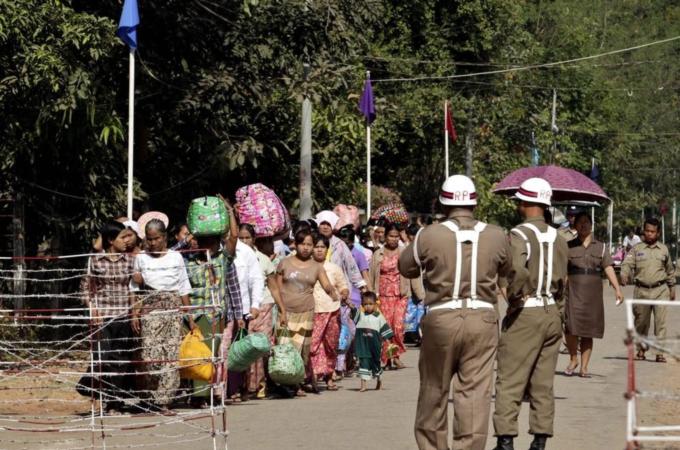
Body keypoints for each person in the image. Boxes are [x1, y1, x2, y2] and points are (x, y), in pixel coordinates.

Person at [399, 175, 513, 450]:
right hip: (483, 318)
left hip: (441, 316)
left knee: (434, 390)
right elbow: (508, 270)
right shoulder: (497, 235)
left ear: (443, 202)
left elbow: (406, 267)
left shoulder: (429, 234)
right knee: (474, 394)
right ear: (474, 202)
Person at [493, 177, 568, 450]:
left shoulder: (518, 234)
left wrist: (514, 296)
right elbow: (563, 279)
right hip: (551, 311)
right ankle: (539, 439)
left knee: (510, 379)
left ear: (527, 203)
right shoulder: (558, 237)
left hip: (527, 310)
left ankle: (505, 440)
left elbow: (517, 271)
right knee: (543, 381)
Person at [184, 195, 243, 408]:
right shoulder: (186, 260)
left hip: (216, 314)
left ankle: (206, 394)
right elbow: (170, 252)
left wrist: (228, 211)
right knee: (196, 356)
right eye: (204, 241)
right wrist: (190, 234)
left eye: (212, 241)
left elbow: (234, 237)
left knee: (212, 356)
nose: (209, 244)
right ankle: (197, 395)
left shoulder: (221, 259)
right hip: (193, 315)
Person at [130, 219, 194, 412]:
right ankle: (150, 396)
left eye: (156, 238)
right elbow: (133, 288)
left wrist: (189, 317)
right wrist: (134, 313)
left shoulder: (175, 258)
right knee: (150, 355)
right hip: (150, 311)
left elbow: (183, 287)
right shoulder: (141, 257)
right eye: (149, 239)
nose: (152, 243)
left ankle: (164, 401)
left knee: (170, 356)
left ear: (164, 237)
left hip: (172, 311)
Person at [80, 221, 137, 415]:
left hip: (123, 314)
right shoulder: (95, 260)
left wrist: (133, 313)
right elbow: (86, 288)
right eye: (123, 237)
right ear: (111, 240)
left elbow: (133, 289)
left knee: (120, 359)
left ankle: (115, 402)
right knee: (101, 357)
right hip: (102, 316)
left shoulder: (130, 261)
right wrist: (92, 309)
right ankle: (96, 392)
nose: (127, 241)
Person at [275, 228, 340, 396]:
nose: (306, 247)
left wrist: (335, 294)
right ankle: (282, 383)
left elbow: (326, 285)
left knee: (301, 350)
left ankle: (296, 384)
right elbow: (277, 289)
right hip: (286, 312)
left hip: (306, 313)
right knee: (285, 348)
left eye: (309, 244)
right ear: (295, 245)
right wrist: (281, 311)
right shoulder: (284, 263)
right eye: (302, 244)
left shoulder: (317, 267)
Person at [563, 212, 624, 378]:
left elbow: (608, 267)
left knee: (588, 330)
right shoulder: (568, 246)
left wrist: (617, 288)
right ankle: (573, 358)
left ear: (591, 225)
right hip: (573, 292)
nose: (583, 225)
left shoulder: (601, 247)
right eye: (580, 223)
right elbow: (563, 271)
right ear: (575, 226)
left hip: (593, 293)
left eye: (586, 222)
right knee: (570, 328)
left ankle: (584, 367)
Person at [237, 225, 286, 399]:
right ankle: (243, 385)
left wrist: (282, 310)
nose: (243, 242)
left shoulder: (263, 260)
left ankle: (258, 385)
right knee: (244, 348)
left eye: (247, 238)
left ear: (254, 239)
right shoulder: (233, 259)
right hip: (241, 309)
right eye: (240, 238)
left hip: (264, 307)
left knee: (260, 347)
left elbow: (273, 287)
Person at [620, 217, 676, 363]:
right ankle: (641, 350)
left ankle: (660, 353)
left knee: (660, 323)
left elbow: (669, 270)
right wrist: (624, 274)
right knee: (641, 322)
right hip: (642, 291)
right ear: (643, 232)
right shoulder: (637, 249)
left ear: (658, 233)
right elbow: (627, 264)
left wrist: (672, 288)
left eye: (653, 231)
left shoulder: (663, 249)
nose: (649, 234)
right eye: (647, 231)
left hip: (660, 290)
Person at [369, 222, 416, 369]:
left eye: (396, 236)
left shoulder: (405, 252)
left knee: (397, 326)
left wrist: (418, 293)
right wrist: (370, 295)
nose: (394, 239)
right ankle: (389, 358)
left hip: (400, 294)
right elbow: (371, 276)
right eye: (391, 236)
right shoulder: (378, 254)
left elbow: (413, 272)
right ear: (385, 236)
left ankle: (395, 355)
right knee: (386, 328)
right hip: (382, 295)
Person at [227, 222, 265, 401]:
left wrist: (255, 305)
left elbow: (256, 279)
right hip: (220, 309)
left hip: (241, 310)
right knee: (221, 350)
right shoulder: (214, 249)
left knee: (238, 350)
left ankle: (235, 388)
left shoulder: (246, 252)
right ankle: (220, 389)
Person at [310, 232, 349, 391]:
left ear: (328, 249)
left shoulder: (334, 268)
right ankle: (313, 376)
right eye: (316, 247)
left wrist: (344, 293)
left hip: (332, 311)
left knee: (331, 344)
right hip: (313, 311)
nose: (319, 250)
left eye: (322, 247)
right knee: (314, 345)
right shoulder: (308, 267)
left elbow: (343, 286)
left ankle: (329, 376)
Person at [348, 292, 393, 392]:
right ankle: (363, 385)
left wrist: (388, 341)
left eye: (370, 304)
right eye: (365, 304)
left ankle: (379, 381)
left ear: (376, 304)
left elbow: (385, 330)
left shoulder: (379, 317)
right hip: (363, 346)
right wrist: (351, 307)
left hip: (375, 346)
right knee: (363, 364)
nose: (368, 306)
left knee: (376, 365)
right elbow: (353, 313)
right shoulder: (360, 315)